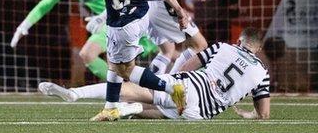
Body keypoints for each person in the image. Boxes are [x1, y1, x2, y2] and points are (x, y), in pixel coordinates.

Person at [39, 27, 270, 121]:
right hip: (199, 113)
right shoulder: (262, 73)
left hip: (187, 88)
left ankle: (75, 94)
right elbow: (264, 114)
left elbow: (191, 63)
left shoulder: (223, 47)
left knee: (129, 89)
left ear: (239, 40)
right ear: (258, 48)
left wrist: (170, 81)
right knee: (154, 110)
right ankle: (129, 109)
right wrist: (249, 114)